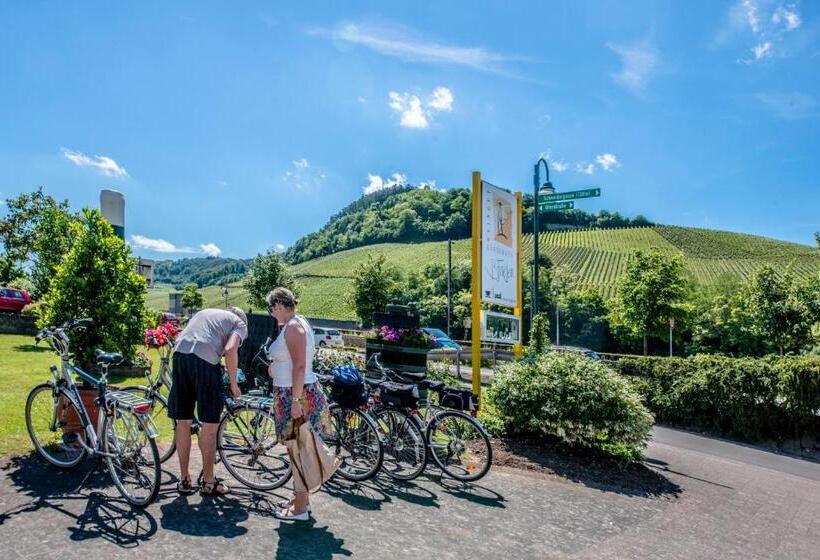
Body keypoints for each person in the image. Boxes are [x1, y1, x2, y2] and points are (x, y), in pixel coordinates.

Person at [266, 287, 334, 521]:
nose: (272, 313)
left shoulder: (294, 327)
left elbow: (300, 366)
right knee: (299, 448)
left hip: (296, 395)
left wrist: (295, 400)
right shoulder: (297, 323)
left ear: (279, 305)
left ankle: (301, 508)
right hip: (293, 392)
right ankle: (300, 498)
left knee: (299, 449)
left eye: (272, 308)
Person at [168, 306, 248, 496]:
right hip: (204, 361)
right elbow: (230, 349)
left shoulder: (206, 313)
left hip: (179, 355)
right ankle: (209, 482)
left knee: (183, 422)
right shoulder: (240, 324)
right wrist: (234, 385)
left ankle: (184, 479)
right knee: (210, 425)